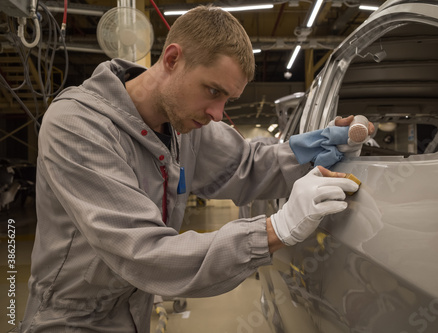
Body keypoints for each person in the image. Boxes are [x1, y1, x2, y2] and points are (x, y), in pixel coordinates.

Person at [21, 5, 371, 333]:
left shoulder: (185, 128)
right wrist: (276, 228)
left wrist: (324, 147)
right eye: (212, 91)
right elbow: (144, 254)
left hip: (133, 312)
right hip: (72, 320)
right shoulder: (78, 127)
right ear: (173, 59)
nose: (218, 114)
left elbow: (249, 165)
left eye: (227, 100)